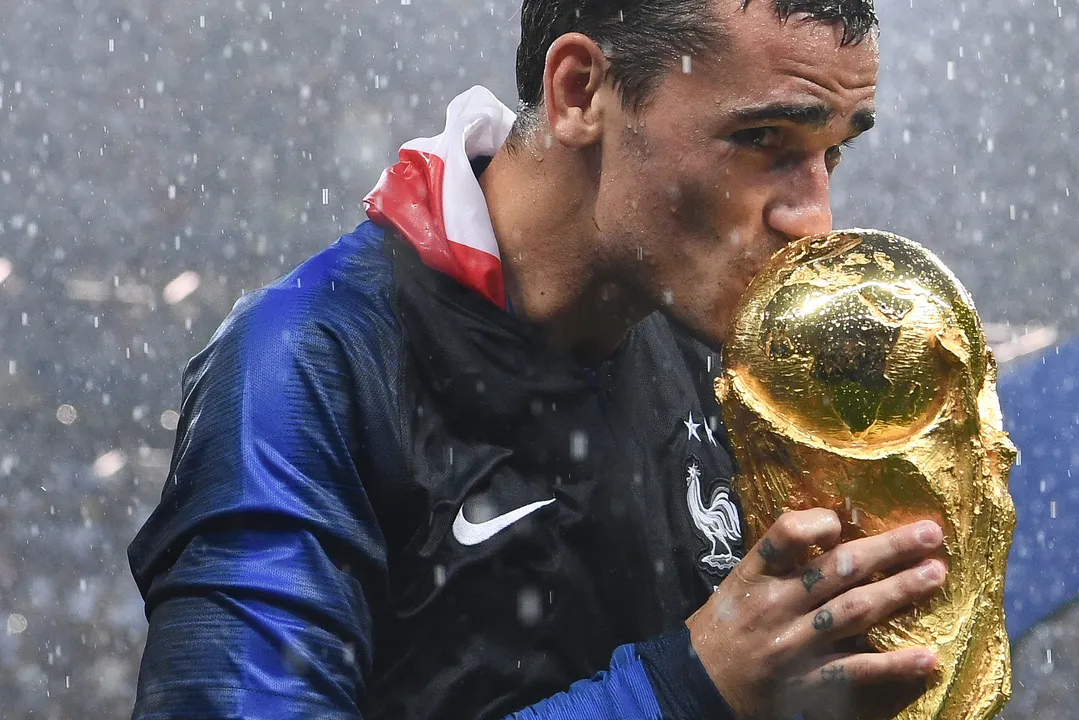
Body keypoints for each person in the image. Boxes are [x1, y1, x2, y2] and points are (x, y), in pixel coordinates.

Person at [128, 0, 949, 718]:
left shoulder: (730, 346)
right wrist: (680, 692)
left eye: (832, 152)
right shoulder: (310, 362)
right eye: (762, 139)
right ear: (579, 91)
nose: (815, 221)